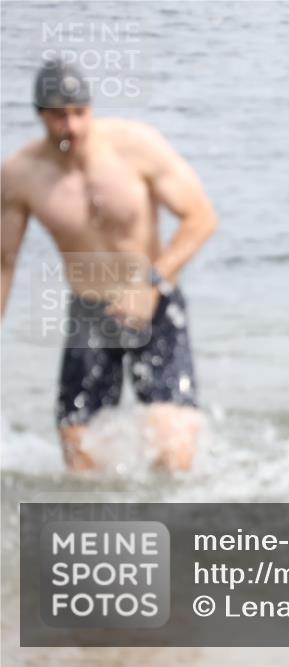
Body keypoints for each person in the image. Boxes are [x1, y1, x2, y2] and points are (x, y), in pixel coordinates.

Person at [1, 60, 218, 472]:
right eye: (59, 116)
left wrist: (150, 283)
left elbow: (202, 218)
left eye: (80, 113)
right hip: (89, 312)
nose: (72, 127)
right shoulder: (21, 174)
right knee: (79, 456)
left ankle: (176, 529)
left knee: (174, 451)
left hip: (154, 303)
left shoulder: (137, 147)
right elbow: (4, 262)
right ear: (40, 115)